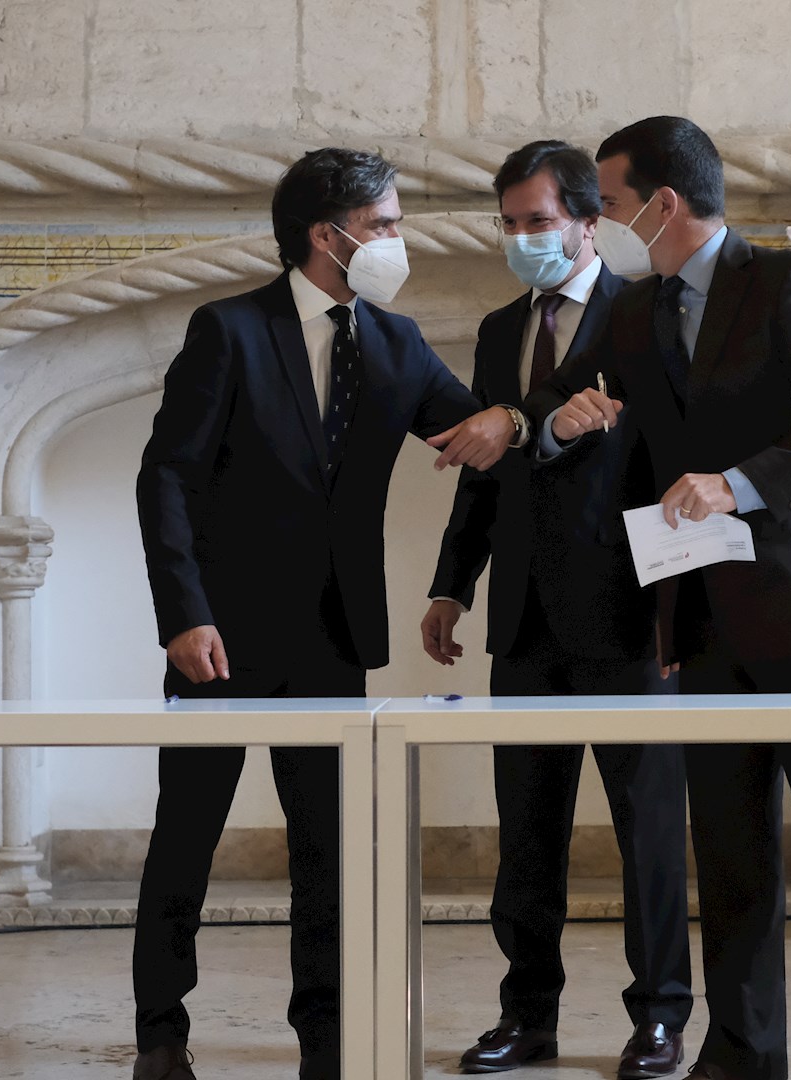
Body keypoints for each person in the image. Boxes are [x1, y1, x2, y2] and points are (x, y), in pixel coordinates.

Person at [132, 146, 524, 1080]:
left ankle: (326, 1039)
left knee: (331, 858)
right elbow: (167, 478)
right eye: (383, 224)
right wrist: (182, 615)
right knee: (185, 842)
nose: (397, 240)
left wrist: (519, 420)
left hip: (332, 638)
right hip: (219, 639)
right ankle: (160, 1034)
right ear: (327, 234)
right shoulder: (228, 330)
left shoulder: (397, 341)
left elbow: (473, 437)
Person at [526, 116, 791, 1080]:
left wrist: (736, 484)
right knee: (731, 855)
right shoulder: (633, 313)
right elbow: (557, 405)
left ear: (664, 203)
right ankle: (740, 1053)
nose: (603, 221)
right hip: (702, 619)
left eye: (612, 202)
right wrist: (561, 424)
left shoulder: (788, 280)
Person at [420, 140, 693, 1079]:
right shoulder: (500, 329)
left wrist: (681, 615)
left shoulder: (646, 313)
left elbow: (670, 458)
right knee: (526, 838)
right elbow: (482, 471)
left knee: (647, 834)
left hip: (630, 619)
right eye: (509, 223)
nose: (522, 237)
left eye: (538, 221)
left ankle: (659, 1017)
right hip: (525, 622)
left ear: (587, 220)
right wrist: (451, 584)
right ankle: (526, 1016)